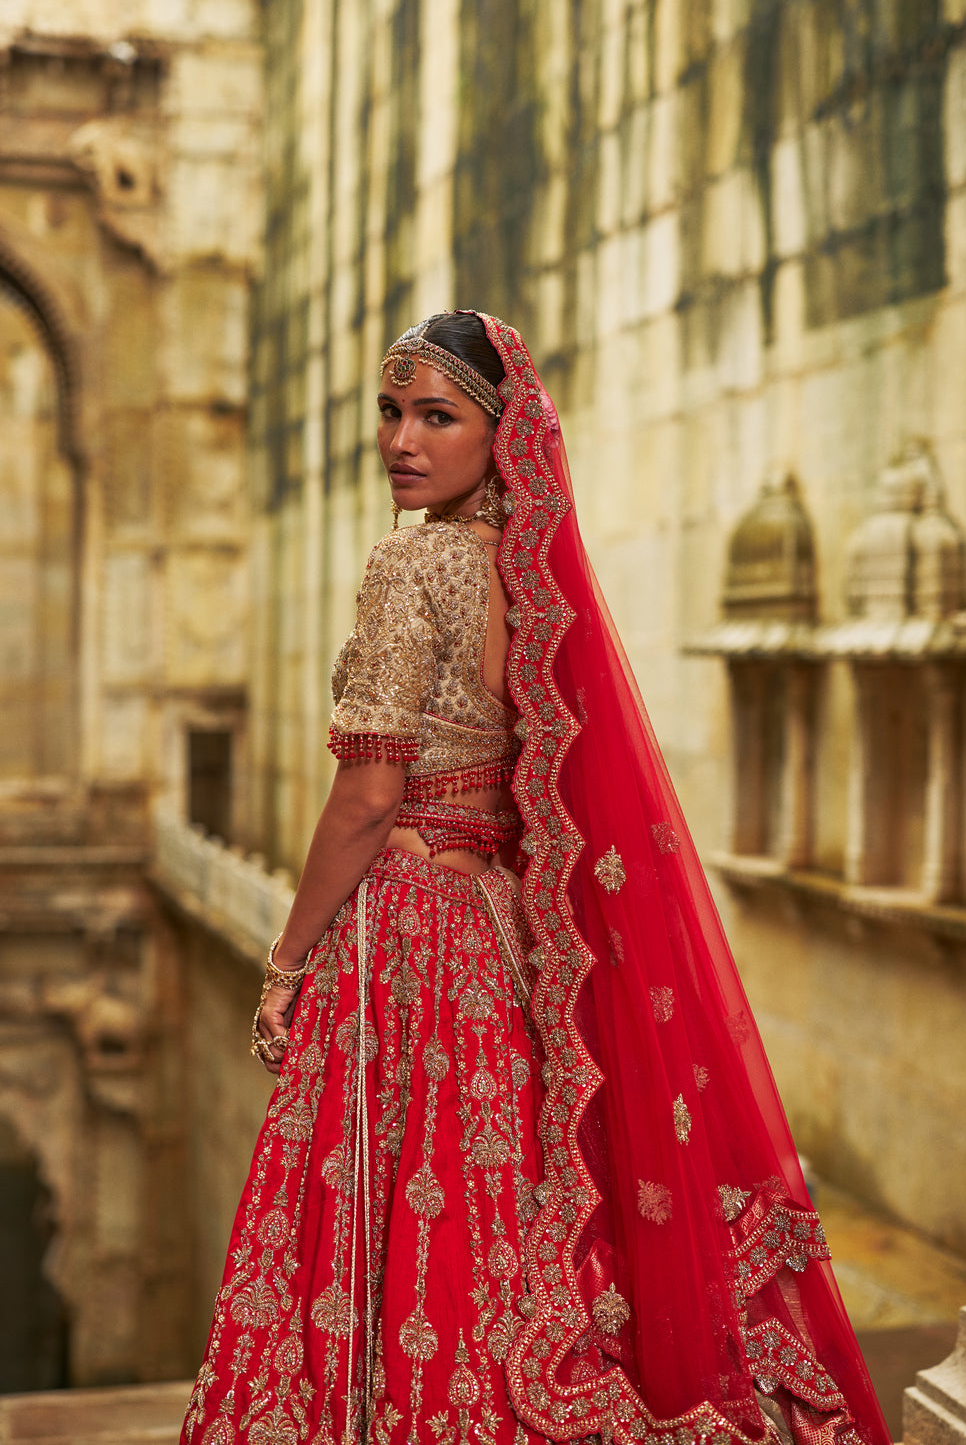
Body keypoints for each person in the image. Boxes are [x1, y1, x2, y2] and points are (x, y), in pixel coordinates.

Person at [181, 313, 891, 1445]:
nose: (402, 440)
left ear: (498, 432)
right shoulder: (533, 571)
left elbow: (367, 798)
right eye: (390, 410)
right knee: (488, 1206)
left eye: (436, 415)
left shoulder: (408, 562)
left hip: (403, 931)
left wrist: (286, 960)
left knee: (383, 1216)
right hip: (496, 929)